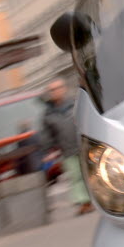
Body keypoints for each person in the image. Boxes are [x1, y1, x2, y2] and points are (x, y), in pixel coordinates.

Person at [42, 79, 92, 215]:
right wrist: (48, 151)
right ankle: (84, 202)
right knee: (75, 176)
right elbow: (47, 135)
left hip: (83, 145)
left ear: (64, 88)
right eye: (52, 90)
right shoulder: (48, 114)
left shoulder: (75, 104)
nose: (56, 91)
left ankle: (95, 199)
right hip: (66, 149)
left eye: (58, 88)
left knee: (91, 173)